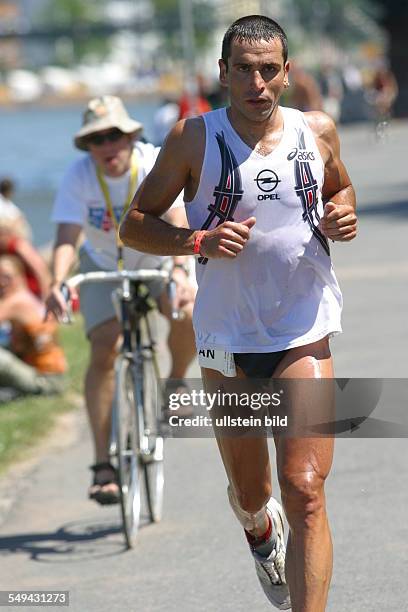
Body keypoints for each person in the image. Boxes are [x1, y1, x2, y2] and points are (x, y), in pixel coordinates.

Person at [119, 14, 357, 612]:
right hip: (227, 339)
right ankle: (257, 528)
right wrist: (195, 242)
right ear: (223, 74)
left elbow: (339, 190)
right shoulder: (192, 139)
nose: (257, 83)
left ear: (286, 73)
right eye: (244, 71)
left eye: (269, 70)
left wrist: (342, 217)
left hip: (302, 328)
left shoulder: (318, 130)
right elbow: (135, 226)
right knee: (255, 494)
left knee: (304, 489)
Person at [45, 95, 196, 506]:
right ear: (87, 147)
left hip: (157, 255)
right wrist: (59, 282)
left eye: (114, 135)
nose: (107, 146)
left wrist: (182, 271)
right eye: (96, 139)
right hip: (103, 262)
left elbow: (179, 221)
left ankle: (177, 379)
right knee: (104, 345)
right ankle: (102, 464)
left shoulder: (150, 162)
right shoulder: (79, 176)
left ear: (130, 136)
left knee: (187, 311)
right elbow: (65, 237)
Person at [0, 255, 66, 397]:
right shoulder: (28, 297)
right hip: (53, 374)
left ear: (20, 276)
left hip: (45, 379)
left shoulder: (16, 302)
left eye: (7, 276)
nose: (2, 282)